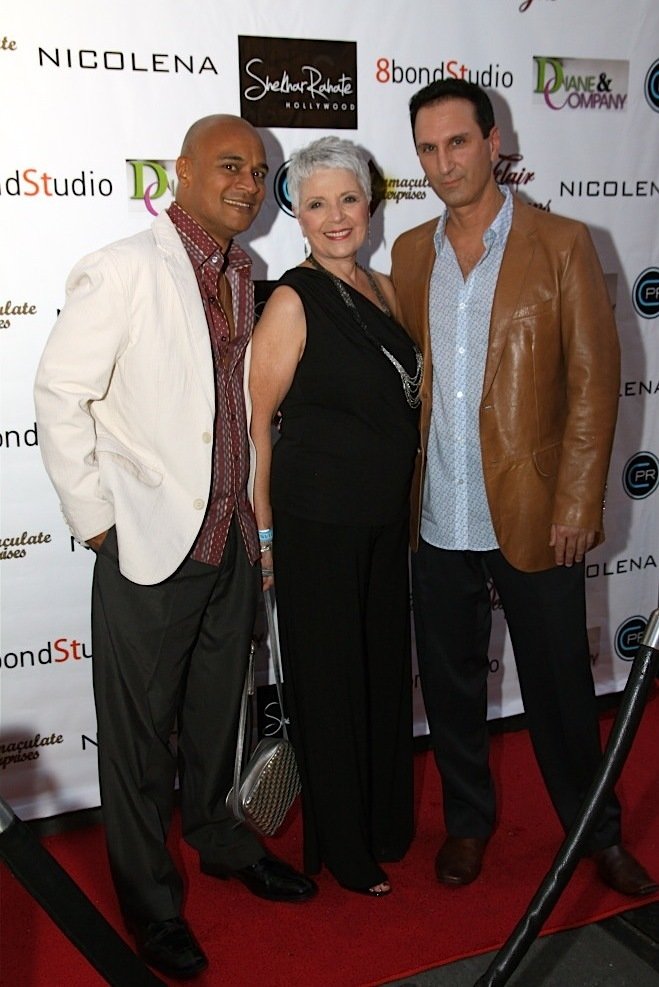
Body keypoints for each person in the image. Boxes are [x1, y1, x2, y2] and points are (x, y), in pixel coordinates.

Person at [34, 114, 316, 981]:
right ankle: (151, 905)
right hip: (149, 549)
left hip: (230, 538)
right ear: (181, 172)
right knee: (136, 739)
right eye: (228, 164)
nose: (246, 181)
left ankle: (223, 839)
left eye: (259, 169)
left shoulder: (247, 272)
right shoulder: (125, 270)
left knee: (215, 720)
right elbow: (58, 393)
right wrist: (98, 524)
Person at [391, 79, 658, 896]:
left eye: (457, 143)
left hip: (538, 511)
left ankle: (594, 831)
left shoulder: (561, 241)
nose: (444, 164)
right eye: (428, 150)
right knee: (451, 686)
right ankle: (467, 823)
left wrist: (579, 502)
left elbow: (594, 376)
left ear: (493, 140)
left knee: (560, 690)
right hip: (438, 513)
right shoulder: (407, 253)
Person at [249, 136, 421, 896]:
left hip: (384, 522)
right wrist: (262, 531)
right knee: (328, 683)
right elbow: (255, 422)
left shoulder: (385, 290)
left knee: (381, 672)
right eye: (315, 203)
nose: (334, 216)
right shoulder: (292, 297)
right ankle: (345, 846)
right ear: (297, 215)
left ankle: (385, 820)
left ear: (370, 202)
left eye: (346, 199)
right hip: (314, 523)